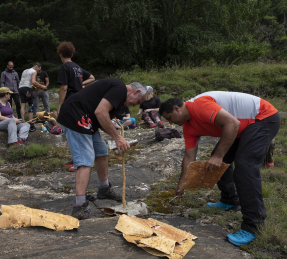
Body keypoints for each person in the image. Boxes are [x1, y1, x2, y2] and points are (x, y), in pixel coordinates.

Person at [159, 91, 280, 246]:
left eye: (169, 118)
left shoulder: (199, 105)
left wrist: (218, 156)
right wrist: (182, 183)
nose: (170, 123)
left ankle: (253, 226)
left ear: (177, 109)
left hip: (263, 118)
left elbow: (232, 123)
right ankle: (229, 200)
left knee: (244, 167)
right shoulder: (189, 127)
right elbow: (189, 157)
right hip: (242, 128)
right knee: (217, 161)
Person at [57, 79, 147, 220]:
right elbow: (101, 112)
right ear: (135, 92)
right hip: (75, 115)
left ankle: (104, 189)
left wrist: (117, 136)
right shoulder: (120, 89)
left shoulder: (119, 93)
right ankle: (80, 207)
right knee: (85, 160)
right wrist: (118, 138)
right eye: (138, 101)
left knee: (101, 151)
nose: (135, 105)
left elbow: (101, 117)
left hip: (86, 118)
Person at [56, 42, 95, 171]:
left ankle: (79, 162)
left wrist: (60, 105)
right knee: (72, 129)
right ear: (72, 54)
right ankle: (76, 157)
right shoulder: (76, 67)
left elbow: (64, 87)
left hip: (70, 103)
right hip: (79, 101)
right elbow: (92, 77)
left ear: (60, 54)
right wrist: (80, 84)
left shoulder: (65, 67)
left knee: (72, 131)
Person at [18, 62, 46, 131]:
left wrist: (33, 87)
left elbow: (27, 82)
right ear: (37, 67)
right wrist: (42, 86)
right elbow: (33, 82)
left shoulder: (25, 70)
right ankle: (31, 124)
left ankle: (23, 121)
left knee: (23, 104)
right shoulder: (34, 71)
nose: (38, 72)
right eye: (39, 70)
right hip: (27, 88)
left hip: (21, 88)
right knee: (31, 104)